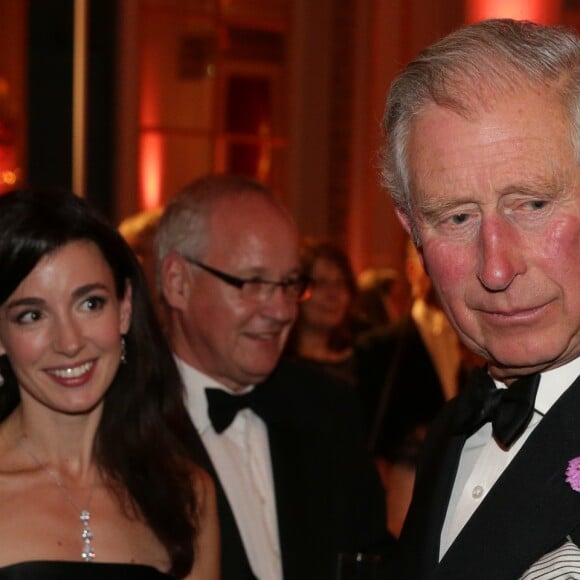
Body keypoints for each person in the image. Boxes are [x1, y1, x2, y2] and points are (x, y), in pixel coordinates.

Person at [380, 18, 580, 580]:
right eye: (457, 217)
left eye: (532, 204)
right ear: (412, 230)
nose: (495, 266)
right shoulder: (448, 433)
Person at [155, 174, 389, 580]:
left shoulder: (329, 410)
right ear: (177, 282)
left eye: (288, 284)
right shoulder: (123, 425)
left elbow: (371, 558)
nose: (280, 310)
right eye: (254, 283)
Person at [0, 189, 219, 579]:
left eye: (90, 304)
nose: (69, 343)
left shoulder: (187, 495)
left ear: (125, 309)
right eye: (32, 315)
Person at [356, 240, 465, 537]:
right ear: (411, 269)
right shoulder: (381, 346)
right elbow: (370, 431)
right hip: (403, 498)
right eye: (428, 260)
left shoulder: (480, 338)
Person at [283, 237, 359, 385]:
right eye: (321, 283)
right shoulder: (276, 367)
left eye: (340, 283)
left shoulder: (363, 363)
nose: (333, 295)